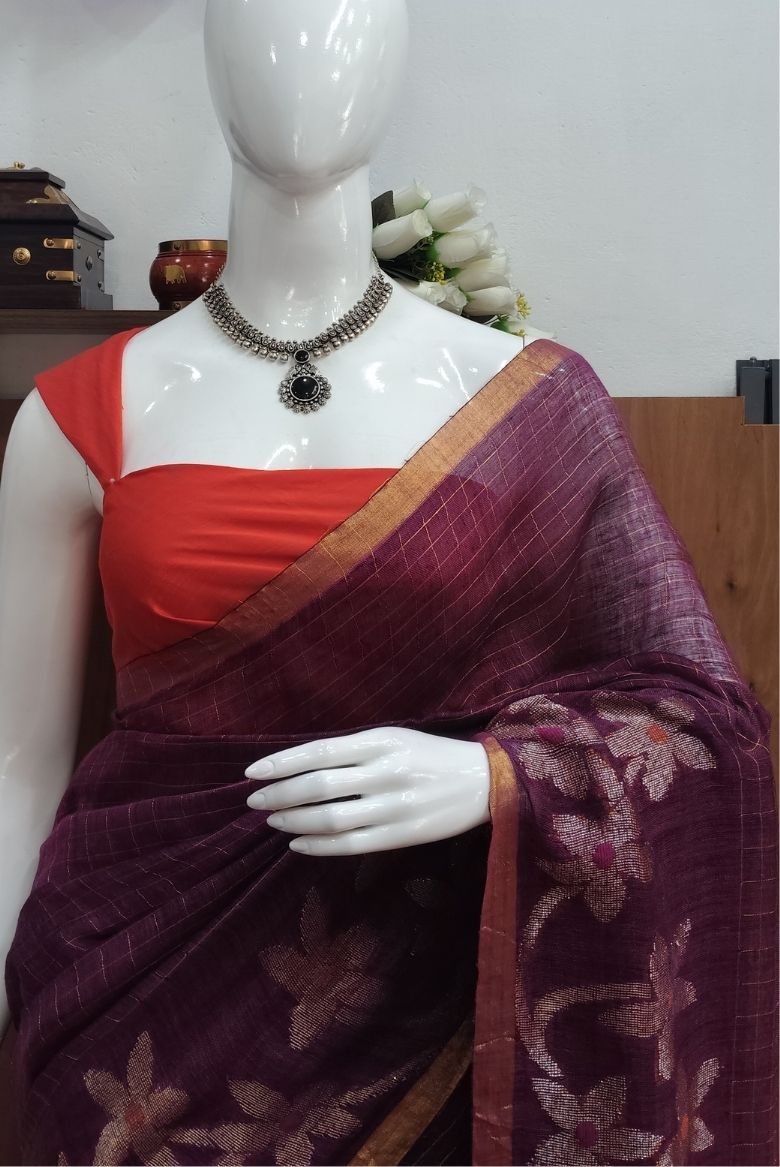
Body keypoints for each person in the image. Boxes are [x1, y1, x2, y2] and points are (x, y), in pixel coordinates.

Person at [0, 2, 777, 1164]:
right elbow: (15, 762)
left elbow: (700, 714)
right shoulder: (79, 414)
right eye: (256, 15)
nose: (306, 49)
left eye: (350, 12)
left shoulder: (524, 398)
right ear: (207, 49)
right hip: (138, 1001)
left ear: (400, 44)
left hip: (433, 992)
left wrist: (498, 778)